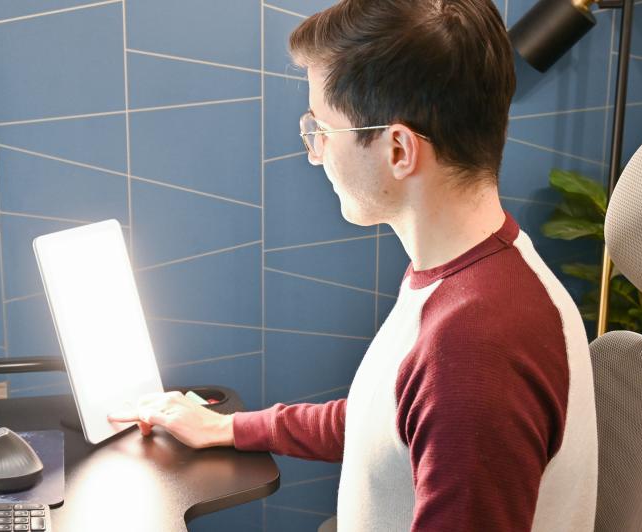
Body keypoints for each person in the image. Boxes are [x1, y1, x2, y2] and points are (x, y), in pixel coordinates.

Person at [109, 0, 598, 529]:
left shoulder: (478, 347)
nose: (314, 152)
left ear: (398, 150)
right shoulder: (470, 279)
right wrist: (229, 429)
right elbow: (389, 419)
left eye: (321, 129)